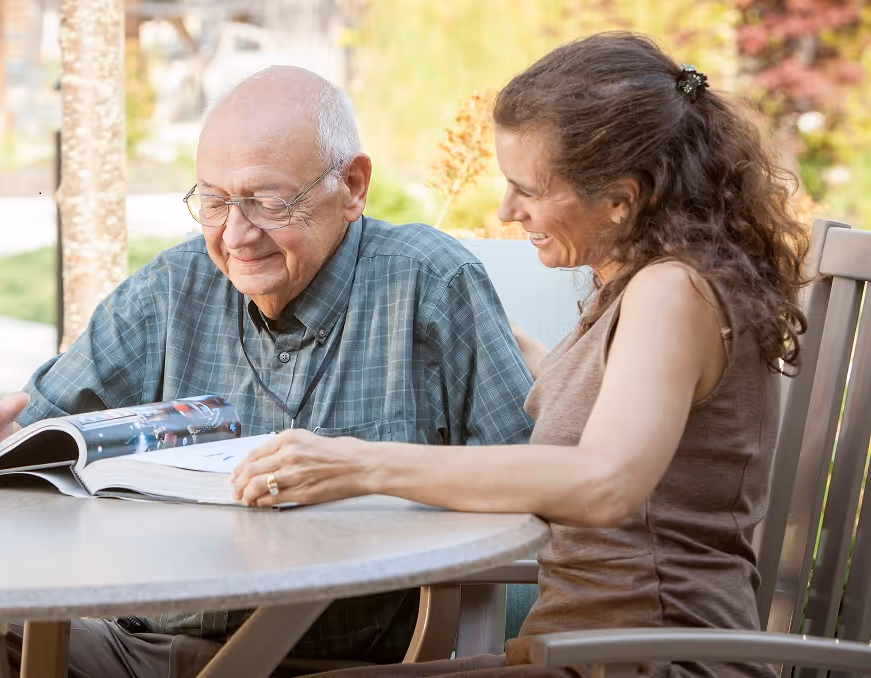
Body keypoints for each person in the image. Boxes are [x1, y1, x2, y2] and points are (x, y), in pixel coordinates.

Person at [0, 66, 535, 678]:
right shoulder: (171, 290)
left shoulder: (428, 284)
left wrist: (374, 472)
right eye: (214, 202)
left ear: (352, 186)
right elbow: (29, 443)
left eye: (268, 203)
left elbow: (531, 478)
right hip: (143, 648)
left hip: (333, 661)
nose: (236, 236)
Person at [231, 33, 810, 678]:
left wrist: (364, 464)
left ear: (621, 199)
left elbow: (603, 482)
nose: (507, 212)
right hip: (587, 655)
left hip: (651, 660)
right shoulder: (639, 287)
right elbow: (601, 403)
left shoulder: (672, 293)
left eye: (526, 190)